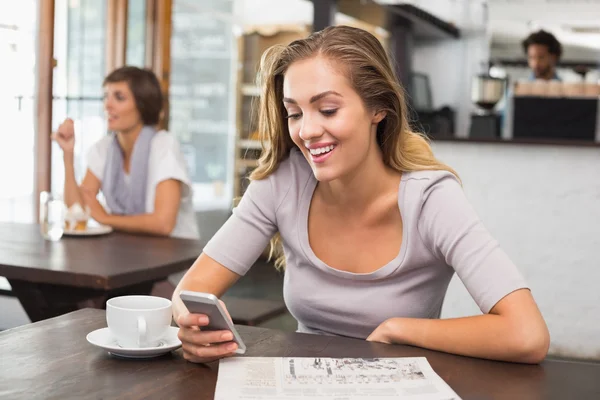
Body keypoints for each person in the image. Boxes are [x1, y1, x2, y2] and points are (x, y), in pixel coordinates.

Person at [173, 26, 549, 364]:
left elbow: (526, 334)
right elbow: (189, 294)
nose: (306, 131)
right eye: (295, 113)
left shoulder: (431, 199)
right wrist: (190, 327)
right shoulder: (282, 183)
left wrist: (400, 330)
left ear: (378, 110)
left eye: (328, 109)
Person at [52, 66, 199, 239]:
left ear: (142, 105)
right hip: (127, 253)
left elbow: (163, 223)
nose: (108, 105)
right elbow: (77, 209)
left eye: (119, 98)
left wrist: (105, 218)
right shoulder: (104, 148)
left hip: (176, 257)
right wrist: (67, 155)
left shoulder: (164, 146)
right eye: (106, 96)